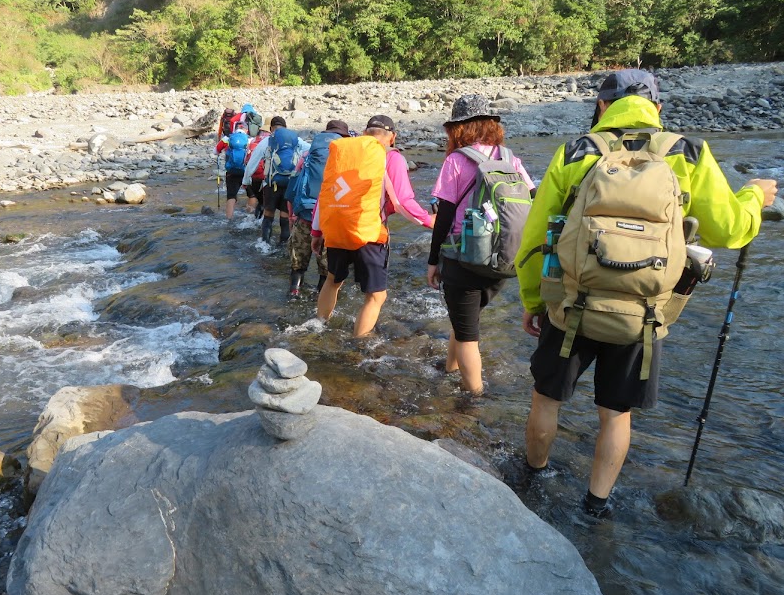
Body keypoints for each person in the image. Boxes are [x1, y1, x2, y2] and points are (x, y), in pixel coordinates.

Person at [515, 68, 778, 517]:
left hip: (572, 305)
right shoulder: (688, 153)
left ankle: (533, 478)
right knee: (616, 413)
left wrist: (534, 301)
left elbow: (536, 235)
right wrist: (755, 196)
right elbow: (730, 230)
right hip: (644, 314)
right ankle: (595, 505)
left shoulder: (577, 150)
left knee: (547, 397)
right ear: (657, 107)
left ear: (602, 106)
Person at [427, 95, 535, 394]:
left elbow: (445, 214)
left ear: (458, 129)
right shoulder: (509, 158)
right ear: (491, 125)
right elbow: (533, 196)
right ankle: (449, 368)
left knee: (467, 337)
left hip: (465, 257)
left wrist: (433, 260)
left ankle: (474, 398)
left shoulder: (457, 160)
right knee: (465, 322)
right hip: (503, 258)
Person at [311, 115, 434, 337]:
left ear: (366, 133)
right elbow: (402, 201)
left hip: (338, 228)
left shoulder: (344, 152)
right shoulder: (391, 157)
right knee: (376, 296)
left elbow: (325, 194)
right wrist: (428, 220)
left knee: (332, 280)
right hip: (370, 233)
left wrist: (317, 231)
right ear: (393, 137)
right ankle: (358, 344)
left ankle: (317, 327)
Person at [286, 120, 351, 298]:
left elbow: (292, 188)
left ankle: (294, 292)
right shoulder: (347, 158)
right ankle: (319, 299)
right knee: (326, 268)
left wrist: (292, 216)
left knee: (298, 263)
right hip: (331, 220)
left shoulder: (307, 155)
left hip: (305, 215)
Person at [243, 116, 309, 244]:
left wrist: (246, 181)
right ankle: (283, 247)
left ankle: (265, 245)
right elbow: (311, 149)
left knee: (269, 214)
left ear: (271, 128)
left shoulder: (267, 140)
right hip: (290, 183)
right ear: (285, 127)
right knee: (285, 215)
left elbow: (252, 162)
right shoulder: (296, 140)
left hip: (271, 184)